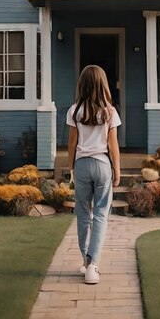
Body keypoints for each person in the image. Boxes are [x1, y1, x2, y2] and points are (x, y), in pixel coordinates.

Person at [66, 64, 121, 285]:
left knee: (82, 213)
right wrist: (117, 171)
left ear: (83, 85)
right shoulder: (110, 111)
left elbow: (72, 143)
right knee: (100, 214)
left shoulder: (74, 110)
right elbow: (113, 144)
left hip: (81, 166)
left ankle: (86, 260)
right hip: (102, 165)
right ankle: (93, 265)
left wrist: (70, 168)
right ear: (103, 85)